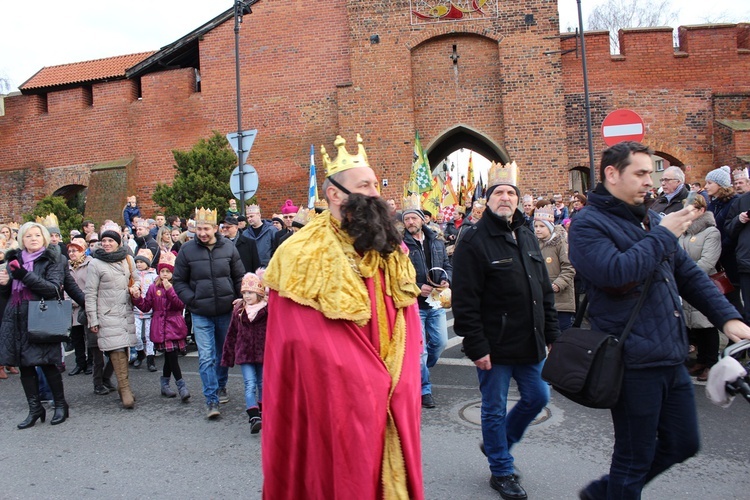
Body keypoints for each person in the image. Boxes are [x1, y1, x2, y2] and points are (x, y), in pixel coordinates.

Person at [569, 141, 750, 499]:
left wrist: (728, 318)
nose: (648, 182)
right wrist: (665, 234)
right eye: (639, 173)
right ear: (611, 174)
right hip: (631, 359)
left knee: (683, 442)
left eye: (650, 174)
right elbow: (617, 275)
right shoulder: (587, 224)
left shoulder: (651, 218)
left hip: (670, 352)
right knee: (634, 458)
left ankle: (603, 494)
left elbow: (689, 275)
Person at [262, 134, 424, 499]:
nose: (375, 192)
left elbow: (406, 314)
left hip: (394, 381)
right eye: (364, 185)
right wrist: (363, 379)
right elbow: (300, 339)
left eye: (374, 184)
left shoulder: (389, 244)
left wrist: (403, 374)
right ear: (335, 194)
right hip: (336, 395)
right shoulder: (300, 253)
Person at [452, 161, 560, 500]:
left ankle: (498, 442)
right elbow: (465, 299)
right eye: (499, 192)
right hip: (494, 344)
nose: (505, 197)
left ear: (518, 199)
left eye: (511, 192)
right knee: (494, 407)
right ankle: (501, 469)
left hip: (530, 339)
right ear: (488, 199)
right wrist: (476, 345)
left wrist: (552, 334)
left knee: (538, 397)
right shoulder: (474, 239)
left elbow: (542, 288)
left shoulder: (526, 233)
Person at [173, 208, 245, 419]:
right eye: (199, 229)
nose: (202, 233)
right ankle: (211, 399)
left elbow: (238, 276)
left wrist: (239, 297)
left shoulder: (229, 248)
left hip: (225, 311)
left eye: (206, 229)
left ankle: (221, 385)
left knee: (223, 354)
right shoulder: (187, 250)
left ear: (215, 228)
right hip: (201, 312)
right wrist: (192, 300)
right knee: (206, 357)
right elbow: (178, 281)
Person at [0, 222, 70, 428]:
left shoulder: (52, 259)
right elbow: (7, 295)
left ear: (44, 238)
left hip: (41, 317)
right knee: (25, 367)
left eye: (37, 235)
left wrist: (23, 275)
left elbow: (53, 289)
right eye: (28, 236)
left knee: (48, 364)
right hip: (16, 318)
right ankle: (34, 408)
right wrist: (4, 285)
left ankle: (60, 405)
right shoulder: (13, 261)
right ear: (22, 239)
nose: (33, 239)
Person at [402, 197, 452, 408]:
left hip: (436, 301)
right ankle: (424, 388)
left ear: (422, 220)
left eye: (414, 218)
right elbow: (397, 275)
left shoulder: (437, 241)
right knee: (420, 351)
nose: (410, 222)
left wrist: (446, 279)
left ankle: (419, 370)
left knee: (440, 343)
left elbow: (447, 265)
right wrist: (415, 288)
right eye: (407, 219)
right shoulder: (400, 245)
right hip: (414, 305)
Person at [85, 229, 139, 409]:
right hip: (107, 313)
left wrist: (136, 288)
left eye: (110, 240)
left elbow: (136, 279)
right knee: (116, 350)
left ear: (118, 242)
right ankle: (125, 390)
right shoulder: (95, 263)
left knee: (124, 349)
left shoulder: (127, 259)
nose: (106, 244)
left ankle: (124, 387)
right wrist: (93, 319)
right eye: (104, 241)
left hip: (125, 311)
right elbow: (90, 293)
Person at [131, 251, 190, 401]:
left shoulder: (177, 286)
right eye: (162, 271)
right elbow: (146, 307)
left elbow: (180, 304)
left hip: (174, 325)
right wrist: (137, 299)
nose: (164, 274)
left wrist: (170, 289)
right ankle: (181, 385)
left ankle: (166, 384)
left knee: (171, 357)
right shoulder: (153, 288)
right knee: (171, 357)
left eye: (168, 271)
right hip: (160, 326)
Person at [678, 194, 722, 381]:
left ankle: (711, 363)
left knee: (707, 324)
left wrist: (684, 272)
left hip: (704, 282)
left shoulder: (711, 232)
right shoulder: (685, 231)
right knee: (694, 323)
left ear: (702, 210)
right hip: (688, 283)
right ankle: (702, 360)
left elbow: (707, 262)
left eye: (692, 210)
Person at [221, 271, 268, 433]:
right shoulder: (239, 311)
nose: (247, 296)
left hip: (263, 354)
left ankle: (263, 413)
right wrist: (228, 357)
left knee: (262, 384)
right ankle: (254, 416)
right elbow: (231, 334)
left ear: (259, 293)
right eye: (245, 293)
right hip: (245, 353)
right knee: (249, 384)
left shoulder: (268, 311)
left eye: (251, 293)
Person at [533, 206, 576, 331]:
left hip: (561, 301)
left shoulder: (561, 243)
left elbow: (569, 267)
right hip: (542, 299)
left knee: (561, 334)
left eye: (542, 226)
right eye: (536, 226)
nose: (538, 230)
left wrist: (557, 285)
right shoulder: (535, 244)